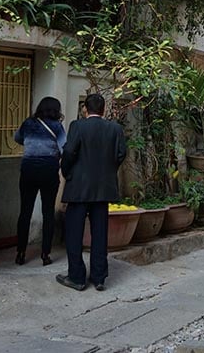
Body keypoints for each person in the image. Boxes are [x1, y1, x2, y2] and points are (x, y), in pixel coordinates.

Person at [58, 93, 127, 292]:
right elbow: (121, 153)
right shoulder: (115, 128)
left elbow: (69, 151)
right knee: (100, 233)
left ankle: (77, 277)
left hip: (79, 187)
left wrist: (67, 172)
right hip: (103, 188)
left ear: (85, 109)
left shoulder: (77, 126)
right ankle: (99, 277)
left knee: (74, 232)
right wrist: (108, 171)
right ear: (103, 109)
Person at [14, 97, 66, 267]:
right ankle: (45, 254)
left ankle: (20, 253)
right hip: (48, 171)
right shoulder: (57, 126)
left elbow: (18, 138)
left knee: (25, 212)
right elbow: (63, 147)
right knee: (48, 213)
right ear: (55, 110)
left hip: (28, 170)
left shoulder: (28, 123)